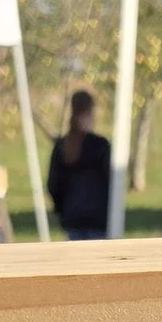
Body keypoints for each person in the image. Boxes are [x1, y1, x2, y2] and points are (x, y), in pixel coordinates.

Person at [48, 89, 112, 240]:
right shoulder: (100, 145)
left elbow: (53, 184)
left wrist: (62, 209)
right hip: (98, 218)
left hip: (72, 217)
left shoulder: (63, 145)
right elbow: (110, 181)